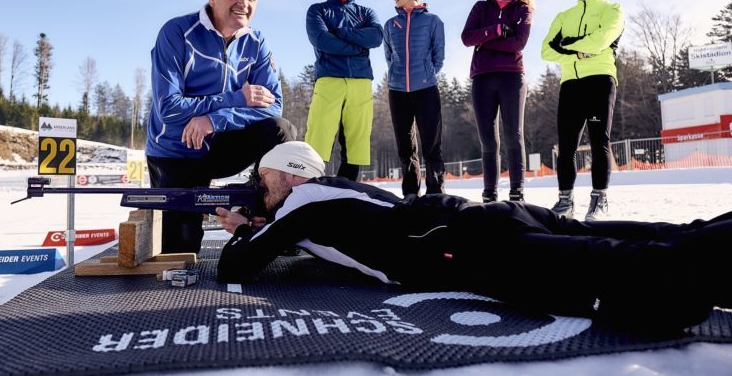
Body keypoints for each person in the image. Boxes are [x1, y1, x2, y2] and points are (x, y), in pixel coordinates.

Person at [216, 141, 732, 333]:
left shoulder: (304, 201)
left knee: (647, 278)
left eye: (263, 182)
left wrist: (241, 232)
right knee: (665, 238)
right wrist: (265, 227)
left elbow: (236, 267)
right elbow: (311, 238)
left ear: (289, 175)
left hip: (466, 242)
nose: (260, 192)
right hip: (480, 220)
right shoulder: (327, 199)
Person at [145, 0, 296, 255]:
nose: (244, 3)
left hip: (221, 143)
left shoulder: (256, 43)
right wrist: (236, 98)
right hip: (176, 150)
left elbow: (274, 104)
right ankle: (180, 240)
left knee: (281, 129)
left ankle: (277, 222)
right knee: (180, 250)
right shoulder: (177, 32)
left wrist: (215, 119)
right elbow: (169, 108)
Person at [541, 0, 624, 221]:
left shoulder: (613, 9)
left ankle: (600, 199)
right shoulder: (564, 16)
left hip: (600, 79)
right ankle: (565, 200)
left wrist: (568, 47)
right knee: (566, 146)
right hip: (570, 84)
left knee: (600, 142)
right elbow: (545, 51)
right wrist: (579, 52)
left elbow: (601, 40)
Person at [304, 0, 384, 181]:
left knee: (356, 140)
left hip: (360, 82)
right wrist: (358, 46)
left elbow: (376, 36)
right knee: (318, 136)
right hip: (329, 79)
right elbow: (322, 40)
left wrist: (339, 31)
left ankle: (348, 189)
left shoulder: (366, 12)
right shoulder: (317, 11)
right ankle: (310, 185)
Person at [462, 0, 534, 203]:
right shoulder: (481, 7)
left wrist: (484, 40)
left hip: (511, 77)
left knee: (514, 135)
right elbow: (466, 38)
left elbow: (518, 43)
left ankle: (517, 192)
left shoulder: (523, 9)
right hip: (482, 77)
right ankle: (489, 193)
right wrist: (496, 30)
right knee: (488, 139)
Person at [383, 0, 445, 196]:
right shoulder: (390, 24)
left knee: (431, 145)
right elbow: (389, 56)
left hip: (426, 89)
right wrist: (398, 77)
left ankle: (435, 192)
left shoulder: (433, 21)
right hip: (398, 92)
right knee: (405, 147)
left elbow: (439, 57)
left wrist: (425, 75)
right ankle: (410, 193)